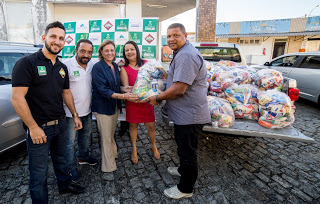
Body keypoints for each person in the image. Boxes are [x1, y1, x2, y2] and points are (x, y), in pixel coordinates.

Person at [11, 21, 85, 204]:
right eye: (53, 36)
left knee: (61, 160)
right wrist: (33, 128)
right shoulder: (27, 63)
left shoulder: (62, 67)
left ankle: (64, 185)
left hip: (59, 124)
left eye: (61, 38)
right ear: (44, 38)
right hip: (39, 129)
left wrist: (75, 115)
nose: (57, 41)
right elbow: (17, 98)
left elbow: (66, 93)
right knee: (39, 173)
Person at [148, 23, 211, 199]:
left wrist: (158, 98)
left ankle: (185, 188)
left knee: (187, 152)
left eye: (176, 35)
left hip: (190, 116)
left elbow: (179, 89)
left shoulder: (187, 55)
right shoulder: (182, 53)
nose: (171, 39)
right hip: (184, 115)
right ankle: (183, 169)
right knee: (183, 147)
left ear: (185, 35)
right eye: (168, 36)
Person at [92, 40, 139, 173]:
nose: (109, 53)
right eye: (106, 50)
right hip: (102, 108)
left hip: (114, 106)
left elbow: (114, 86)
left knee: (111, 134)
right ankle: (108, 167)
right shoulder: (98, 67)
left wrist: (124, 89)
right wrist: (123, 96)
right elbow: (103, 90)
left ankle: (114, 154)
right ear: (101, 52)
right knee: (106, 138)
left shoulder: (114, 65)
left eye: (112, 50)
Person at [120, 41, 160, 164]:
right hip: (133, 101)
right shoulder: (124, 69)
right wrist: (126, 89)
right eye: (126, 50)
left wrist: (151, 93)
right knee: (133, 127)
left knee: (151, 127)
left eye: (131, 49)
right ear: (124, 53)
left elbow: (155, 81)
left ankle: (153, 145)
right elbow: (125, 87)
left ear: (136, 50)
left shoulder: (146, 64)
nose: (129, 52)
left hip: (147, 101)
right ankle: (134, 149)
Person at [63, 39, 98, 182]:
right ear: (76, 50)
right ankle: (70, 168)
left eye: (89, 52)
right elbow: (63, 91)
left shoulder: (92, 65)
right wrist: (74, 114)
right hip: (70, 113)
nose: (86, 55)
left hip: (87, 111)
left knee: (85, 136)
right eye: (82, 51)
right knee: (70, 143)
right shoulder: (66, 66)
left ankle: (83, 156)